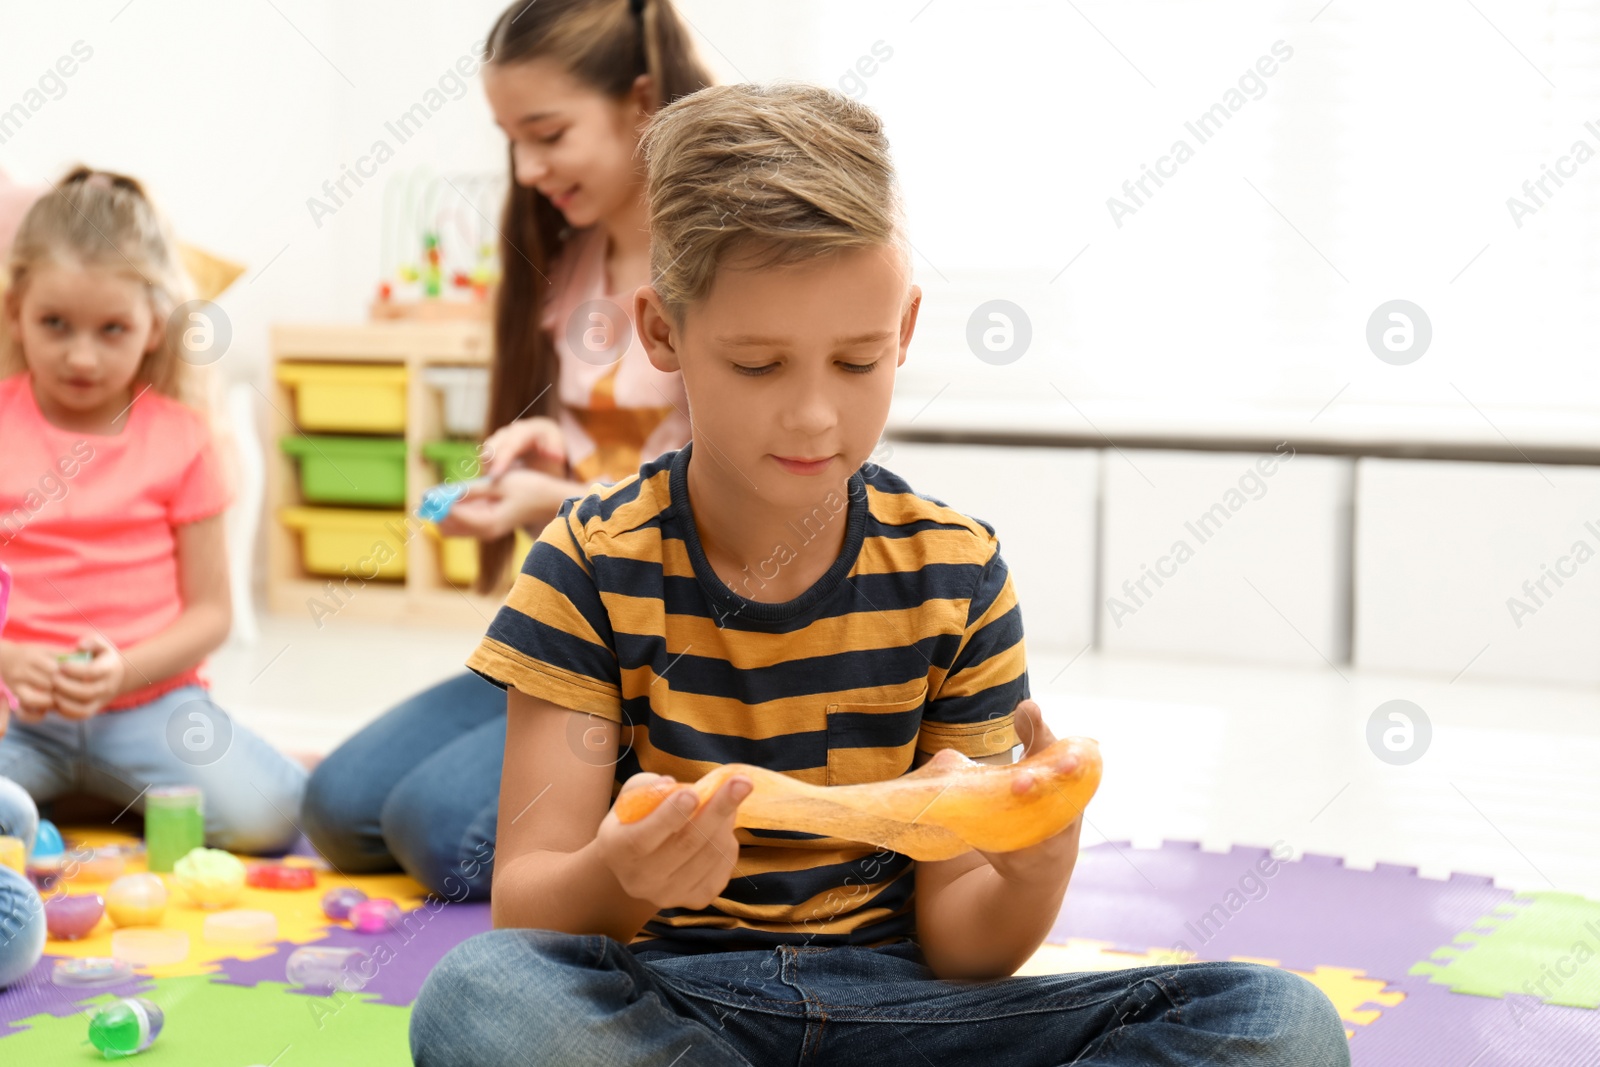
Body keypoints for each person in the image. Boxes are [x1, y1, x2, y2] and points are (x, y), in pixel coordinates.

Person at [408, 83, 1350, 1066]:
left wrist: (1032, 869)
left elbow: (961, 941)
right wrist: (622, 873)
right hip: (671, 1006)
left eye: (855, 362)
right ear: (661, 333)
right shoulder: (589, 562)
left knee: (1276, 1020)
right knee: (482, 996)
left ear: (902, 330)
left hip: (906, 1015)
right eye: (759, 365)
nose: (813, 415)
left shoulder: (955, 570)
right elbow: (526, 911)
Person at [301, 0, 714, 900]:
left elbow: (717, 504)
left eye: (548, 134)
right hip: (577, 642)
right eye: (510, 140)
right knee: (337, 806)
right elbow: (601, 461)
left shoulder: (721, 266)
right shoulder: (569, 259)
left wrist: (558, 506)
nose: (526, 170)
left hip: (678, 659)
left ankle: (660, 792)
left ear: (641, 101)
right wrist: (541, 465)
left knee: (440, 832)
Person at [0, 167, 305, 854]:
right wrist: (9, 657)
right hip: (14, 713)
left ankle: (83, 784)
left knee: (271, 816)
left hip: (151, 705)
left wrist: (123, 671)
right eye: (55, 324)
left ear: (155, 327)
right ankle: (84, 784)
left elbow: (210, 613)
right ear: (15, 307)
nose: (82, 355)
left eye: (112, 329)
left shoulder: (184, 437)